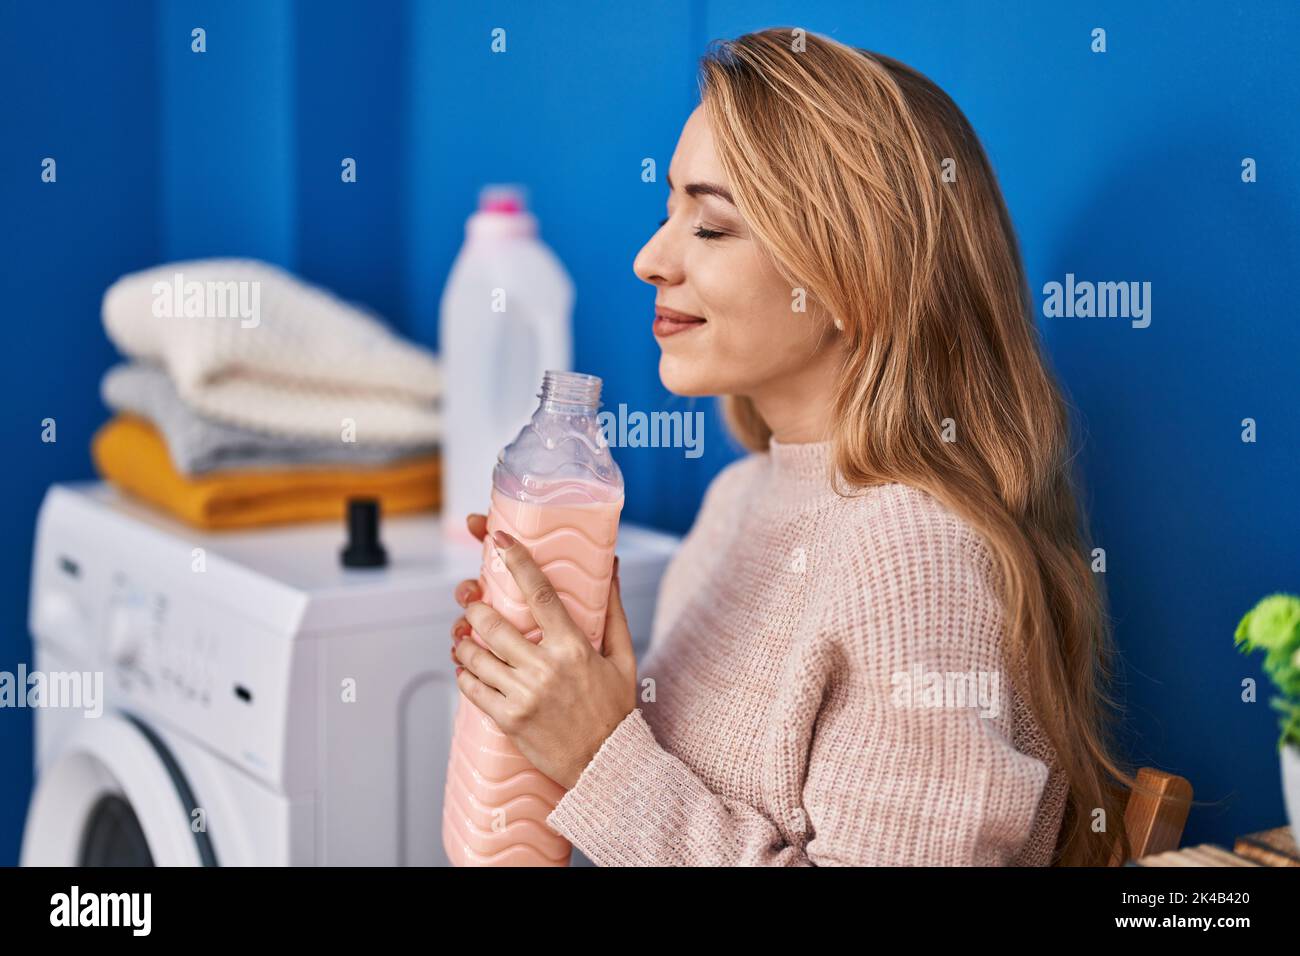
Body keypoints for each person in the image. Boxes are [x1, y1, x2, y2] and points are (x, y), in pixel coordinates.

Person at [450, 27, 1132, 866]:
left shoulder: (914, 559)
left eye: (711, 227)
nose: (648, 259)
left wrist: (602, 756)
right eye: (669, 211)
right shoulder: (739, 499)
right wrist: (573, 698)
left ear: (853, 275)